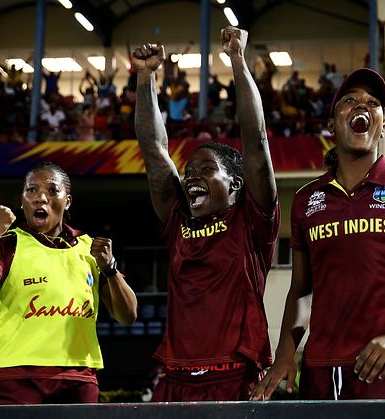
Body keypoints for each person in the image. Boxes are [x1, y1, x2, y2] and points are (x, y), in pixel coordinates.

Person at [251, 67, 385, 400]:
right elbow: (302, 291)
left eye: (373, 102)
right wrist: (285, 354)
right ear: (331, 125)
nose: (362, 105)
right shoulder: (307, 199)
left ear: (381, 124)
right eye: (349, 100)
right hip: (322, 370)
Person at [132, 26, 279, 402]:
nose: (192, 177)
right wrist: (146, 77)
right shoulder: (178, 220)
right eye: (189, 172)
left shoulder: (252, 221)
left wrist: (237, 61)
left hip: (234, 378)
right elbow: (153, 150)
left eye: (205, 170)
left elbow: (256, 139)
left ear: (235, 184)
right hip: (175, 379)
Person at [0, 161, 138, 405]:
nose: (40, 198)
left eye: (52, 190)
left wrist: (110, 268)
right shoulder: (6, 244)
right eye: (31, 190)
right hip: (15, 376)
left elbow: (128, 315)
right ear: (22, 200)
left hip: (78, 377)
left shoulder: (90, 249)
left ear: (67, 201)